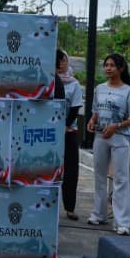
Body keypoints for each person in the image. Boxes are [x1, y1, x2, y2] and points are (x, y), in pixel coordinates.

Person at [87, 53, 130, 235]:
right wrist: (92, 121)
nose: (108, 68)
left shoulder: (128, 92)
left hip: (119, 138)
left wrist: (116, 126)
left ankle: (122, 222)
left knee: (120, 179)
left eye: (112, 65)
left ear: (121, 68)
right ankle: (99, 214)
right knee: (99, 176)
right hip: (100, 136)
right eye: (106, 65)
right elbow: (95, 111)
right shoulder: (99, 89)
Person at [55, 50, 84, 220]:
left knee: (71, 171)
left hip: (69, 132)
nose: (61, 63)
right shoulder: (48, 80)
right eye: (58, 60)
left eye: (64, 60)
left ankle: (70, 208)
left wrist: (65, 125)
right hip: (50, 133)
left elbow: (75, 107)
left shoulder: (74, 84)